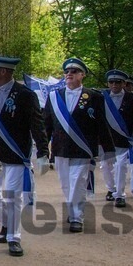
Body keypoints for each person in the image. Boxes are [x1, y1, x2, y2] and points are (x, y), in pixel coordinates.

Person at [0, 55, 49, 258]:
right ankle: (7, 223)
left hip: (16, 154)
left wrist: (43, 152)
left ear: (3, 71)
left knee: (12, 196)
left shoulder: (26, 95)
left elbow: (37, 124)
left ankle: (14, 237)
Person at [43, 58, 114, 234]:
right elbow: (46, 124)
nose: (69, 74)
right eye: (67, 71)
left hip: (83, 148)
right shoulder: (54, 96)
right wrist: (42, 147)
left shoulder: (94, 97)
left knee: (78, 182)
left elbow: (102, 124)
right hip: (61, 148)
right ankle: (73, 208)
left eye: (74, 71)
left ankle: (76, 217)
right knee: (66, 183)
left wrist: (108, 148)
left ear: (82, 75)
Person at [100, 70, 133, 208]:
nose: (114, 85)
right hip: (106, 140)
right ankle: (111, 188)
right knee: (105, 166)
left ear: (124, 83)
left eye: (118, 82)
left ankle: (120, 195)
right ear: (108, 83)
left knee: (121, 167)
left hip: (124, 140)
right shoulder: (101, 97)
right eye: (111, 82)